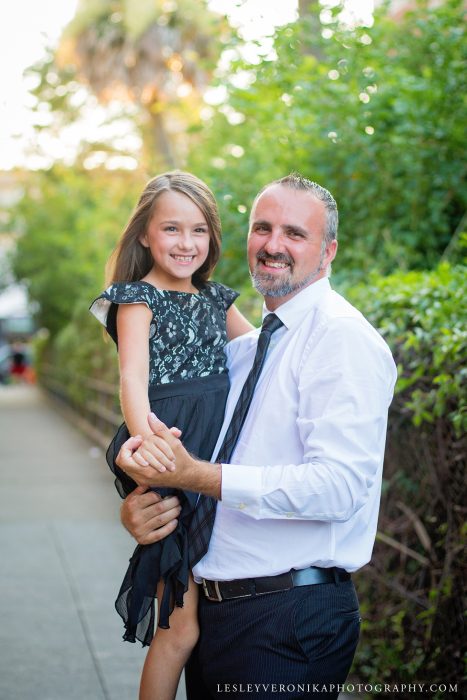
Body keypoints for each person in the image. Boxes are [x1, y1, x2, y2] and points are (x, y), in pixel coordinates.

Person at [116, 174, 398, 699]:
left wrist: (197, 476)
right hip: (216, 617)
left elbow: (338, 488)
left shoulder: (341, 339)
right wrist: (144, 506)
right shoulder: (244, 352)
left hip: (288, 622)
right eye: (262, 228)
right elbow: (176, 436)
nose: (273, 245)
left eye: (295, 233)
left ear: (328, 251)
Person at [89, 171, 252, 700]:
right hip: (169, 442)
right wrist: (151, 441)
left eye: (199, 231)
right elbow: (132, 378)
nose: (187, 244)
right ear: (145, 235)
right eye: (172, 229)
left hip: (212, 453)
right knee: (180, 628)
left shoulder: (217, 298)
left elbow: (262, 357)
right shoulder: (138, 298)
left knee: (206, 610)